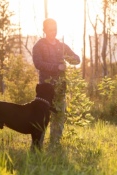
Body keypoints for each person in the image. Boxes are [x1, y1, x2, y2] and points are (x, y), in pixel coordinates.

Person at [32, 18, 80, 146]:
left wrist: (70, 58)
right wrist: (56, 67)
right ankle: (37, 146)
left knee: (58, 116)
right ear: (44, 30)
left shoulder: (61, 46)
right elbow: (38, 64)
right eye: (50, 30)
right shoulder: (39, 46)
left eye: (55, 29)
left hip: (60, 87)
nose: (53, 32)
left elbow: (77, 60)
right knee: (42, 117)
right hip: (45, 88)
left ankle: (54, 144)